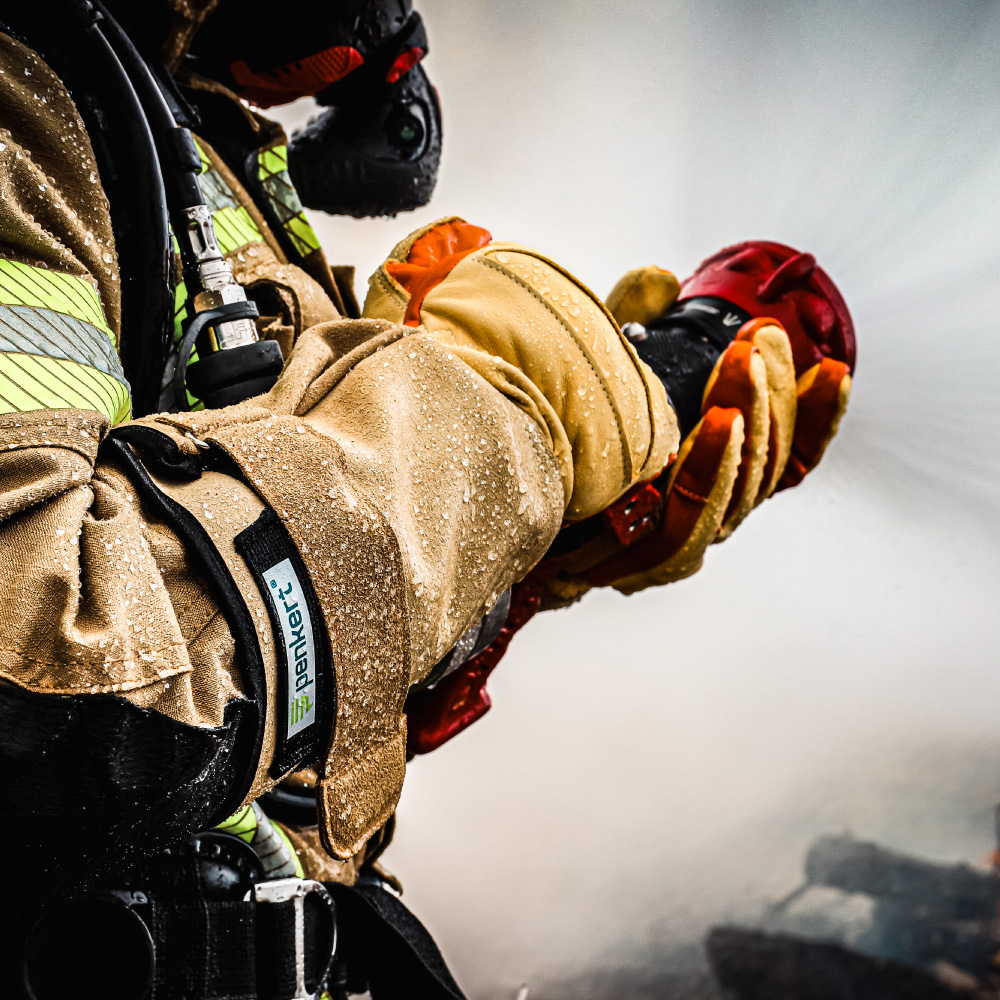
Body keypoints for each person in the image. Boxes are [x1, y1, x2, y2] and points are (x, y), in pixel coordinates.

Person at [0, 1, 854, 996]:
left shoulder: (164, 126)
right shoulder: (32, 99)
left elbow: (267, 715)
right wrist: (506, 423)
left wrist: (523, 545)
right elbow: (56, 693)